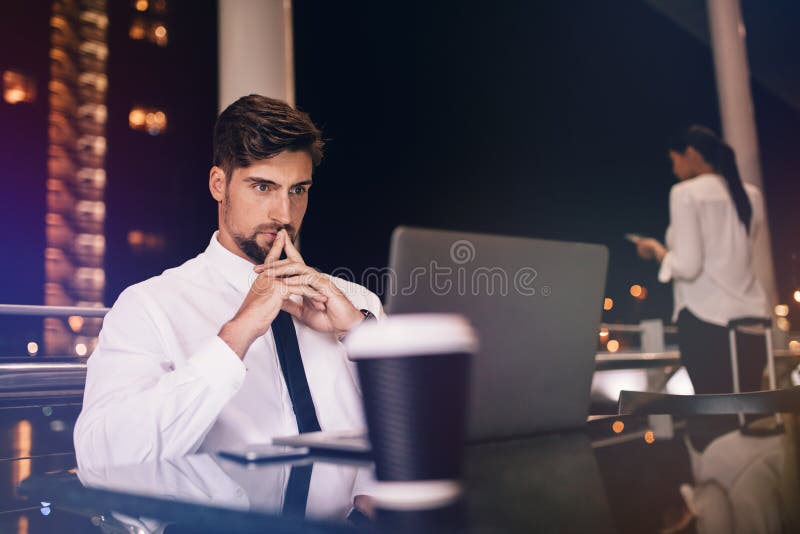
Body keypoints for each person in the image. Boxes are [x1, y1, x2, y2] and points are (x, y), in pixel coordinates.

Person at [74, 95, 385, 470]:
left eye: (298, 190)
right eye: (262, 187)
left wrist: (358, 332)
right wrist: (234, 337)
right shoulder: (149, 307)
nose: (284, 214)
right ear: (219, 184)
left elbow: (421, 429)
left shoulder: (354, 302)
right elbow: (101, 458)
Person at [636, 125, 769, 396]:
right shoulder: (751, 195)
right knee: (750, 417)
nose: (674, 169)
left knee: (714, 416)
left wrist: (657, 251)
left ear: (692, 154)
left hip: (706, 322)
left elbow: (688, 265)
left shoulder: (685, 193)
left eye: (675, 160)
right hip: (753, 323)